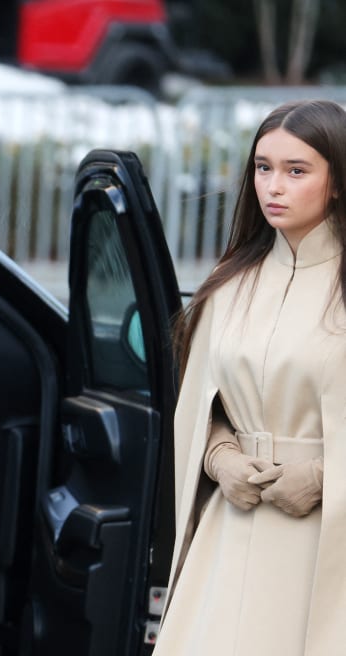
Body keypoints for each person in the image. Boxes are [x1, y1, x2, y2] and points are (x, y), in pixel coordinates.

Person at [156, 99, 346, 655]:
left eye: (297, 170)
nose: (274, 187)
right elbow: (201, 406)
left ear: (337, 181)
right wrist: (220, 458)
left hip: (324, 538)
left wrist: (321, 474)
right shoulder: (230, 282)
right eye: (263, 168)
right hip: (232, 526)